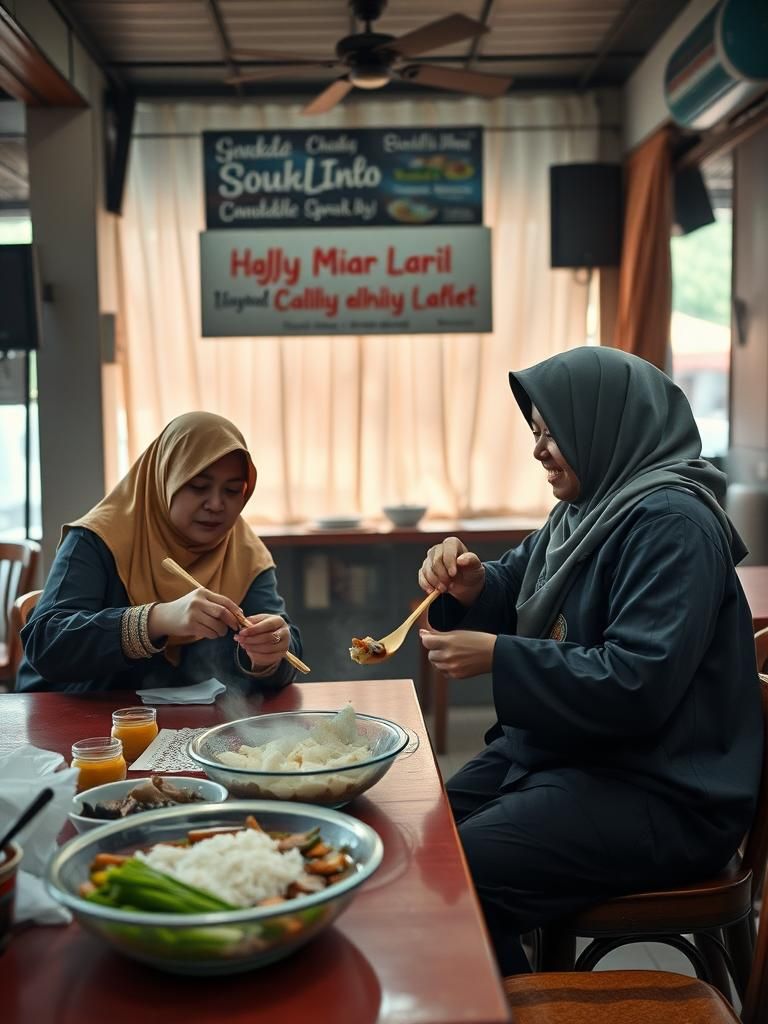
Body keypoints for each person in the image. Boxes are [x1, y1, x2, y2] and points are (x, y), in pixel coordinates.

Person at [417, 346, 763, 976]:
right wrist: (472, 586)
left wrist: (501, 658)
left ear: (608, 427)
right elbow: (515, 583)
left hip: (665, 789)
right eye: (536, 433)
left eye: (555, 433)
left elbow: (638, 682)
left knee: (463, 872)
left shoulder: (670, 522)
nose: (539, 451)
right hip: (587, 757)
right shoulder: (586, 509)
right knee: (424, 837)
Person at [18, 411, 302, 695]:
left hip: (188, 729)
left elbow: (288, 653)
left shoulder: (243, 551)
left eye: (232, 490)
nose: (216, 504)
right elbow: (47, 643)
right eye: (198, 486)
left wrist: (270, 654)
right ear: (165, 478)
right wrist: (156, 619)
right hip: (81, 724)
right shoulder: (100, 539)